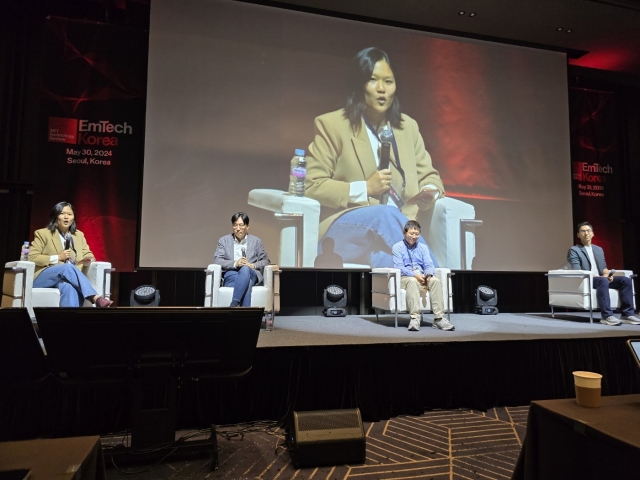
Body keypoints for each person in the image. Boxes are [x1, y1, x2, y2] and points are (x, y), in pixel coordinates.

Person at [305, 47, 444, 267]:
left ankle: (422, 294)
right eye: (373, 80)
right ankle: (437, 280)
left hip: (389, 235)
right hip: (344, 232)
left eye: (388, 82)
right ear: (359, 85)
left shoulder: (408, 128)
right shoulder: (332, 125)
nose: (382, 89)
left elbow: (431, 177)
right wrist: (364, 188)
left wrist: (430, 191)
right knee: (384, 214)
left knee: (391, 262)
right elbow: (311, 185)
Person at [29, 202, 112, 307]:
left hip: (67, 277)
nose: (66, 217)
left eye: (69, 214)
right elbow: (32, 257)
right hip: (43, 277)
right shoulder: (43, 233)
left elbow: (88, 254)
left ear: (73, 218)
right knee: (67, 267)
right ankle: (94, 297)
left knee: (68, 286)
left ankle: (70, 321)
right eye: (62, 213)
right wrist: (57, 257)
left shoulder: (78, 235)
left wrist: (88, 259)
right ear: (55, 216)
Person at [567, 221, 639, 326]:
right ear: (578, 235)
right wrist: (602, 277)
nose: (586, 233)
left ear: (592, 233)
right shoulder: (574, 250)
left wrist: (609, 274)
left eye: (588, 231)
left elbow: (603, 269)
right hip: (586, 280)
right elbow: (578, 270)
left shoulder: (598, 249)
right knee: (602, 280)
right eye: (583, 231)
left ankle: (627, 314)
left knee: (625, 280)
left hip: (601, 279)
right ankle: (606, 316)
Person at [392, 220, 454, 331]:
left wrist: (428, 275)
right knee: (412, 281)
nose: (414, 237)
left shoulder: (423, 248)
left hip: (422, 277)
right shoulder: (397, 247)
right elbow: (399, 267)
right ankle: (415, 318)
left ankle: (439, 319)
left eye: (417, 234)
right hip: (405, 278)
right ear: (404, 232)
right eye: (411, 234)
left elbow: (429, 265)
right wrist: (415, 275)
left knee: (435, 281)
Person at [213, 212, 270, 307]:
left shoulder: (256, 241)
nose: (238, 228)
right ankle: (245, 317)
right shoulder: (224, 240)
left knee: (245, 269)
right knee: (247, 283)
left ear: (247, 226)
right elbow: (217, 260)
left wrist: (253, 265)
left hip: (251, 272)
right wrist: (235, 263)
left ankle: (234, 304)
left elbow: (266, 260)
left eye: (241, 225)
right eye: (235, 225)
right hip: (232, 273)